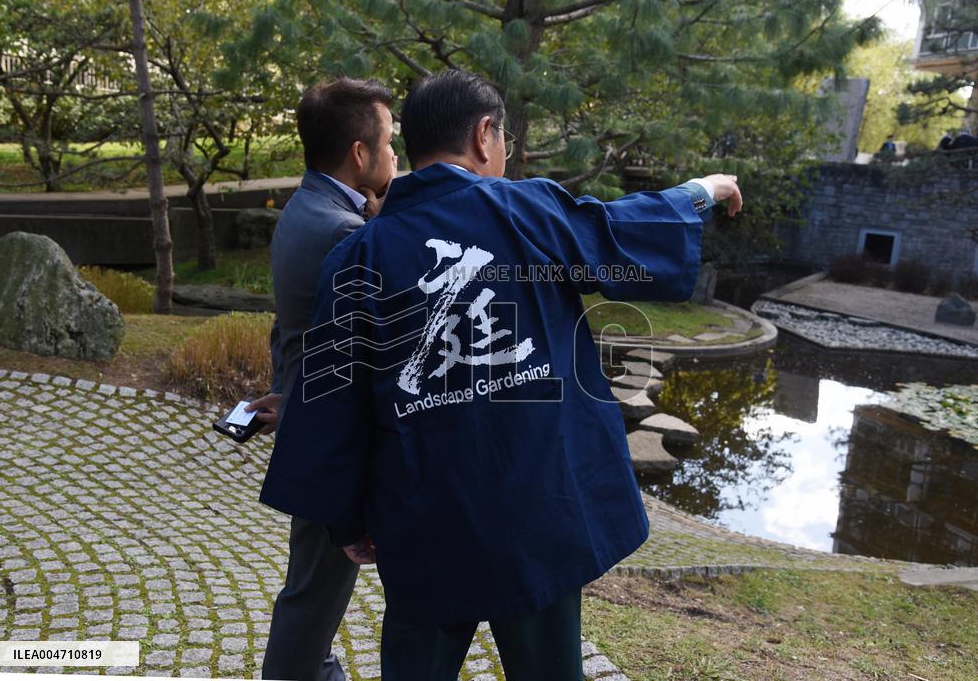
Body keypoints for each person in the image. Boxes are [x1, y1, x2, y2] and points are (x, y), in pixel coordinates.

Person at [260, 70, 742, 680]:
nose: (507, 155)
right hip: (537, 512)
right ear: (485, 135)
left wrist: (347, 521)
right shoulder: (530, 212)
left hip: (422, 521)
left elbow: (333, 400)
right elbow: (618, 228)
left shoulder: (358, 255)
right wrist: (703, 189)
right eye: (505, 140)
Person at [247, 77, 397, 681]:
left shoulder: (307, 205)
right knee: (315, 589)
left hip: (307, 415)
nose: (396, 158)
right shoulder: (346, 234)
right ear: (360, 154)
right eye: (390, 145)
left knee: (315, 581)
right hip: (327, 435)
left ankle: (316, 667)